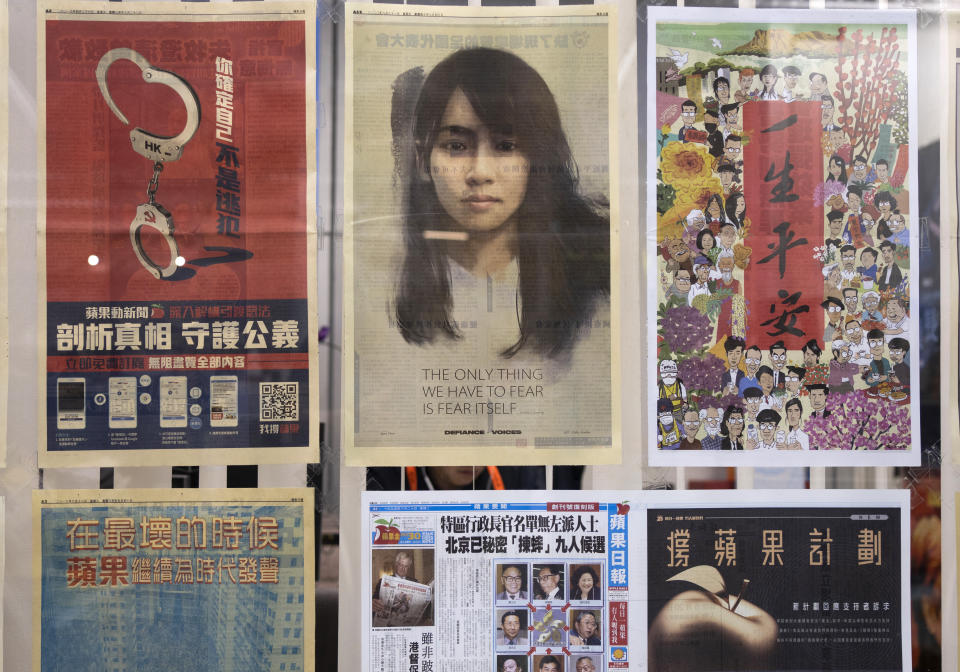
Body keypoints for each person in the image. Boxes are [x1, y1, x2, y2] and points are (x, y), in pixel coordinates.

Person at [395, 47, 609, 360]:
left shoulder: (599, 293)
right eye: (456, 146)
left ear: (538, 159)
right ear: (422, 160)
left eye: (506, 146)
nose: (480, 172)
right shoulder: (378, 292)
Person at [373, 551, 418, 616]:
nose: (403, 569)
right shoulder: (383, 581)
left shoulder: (415, 582)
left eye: (406, 566)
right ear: (396, 564)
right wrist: (373, 603)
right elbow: (374, 600)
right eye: (401, 565)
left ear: (409, 567)